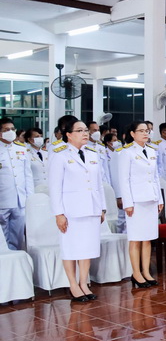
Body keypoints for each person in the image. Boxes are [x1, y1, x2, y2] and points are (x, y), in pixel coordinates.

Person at [49, 119, 106, 302]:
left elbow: (99, 184)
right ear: (69, 134)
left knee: (87, 249)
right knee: (71, 249)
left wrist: (102, 208)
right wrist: (59, 214)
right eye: (80, 130)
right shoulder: (60, 155)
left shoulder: (92, 154)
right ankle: (73, 285)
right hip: (71, 211)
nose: (85, 134)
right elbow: (55, 188)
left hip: (91, 208)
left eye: (85, 130)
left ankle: (84, 283)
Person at [118, 121, 163, 287]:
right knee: (136, 238)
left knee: (148, 238)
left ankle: (146, 271)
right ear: (132, 134)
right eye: (141, 131)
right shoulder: (127, 153)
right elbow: (124, 180)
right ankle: (136, 273)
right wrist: (127, 203)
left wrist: (160, 199)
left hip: (150, 199)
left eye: (147, 131)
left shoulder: (151, 151)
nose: (146, 134)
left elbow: (156, 177)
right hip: (136, 201)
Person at [0, 117, 33, 250]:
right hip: (3, 199)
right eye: (6, 130)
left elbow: (27, 175)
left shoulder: (21, 149)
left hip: (20, 199)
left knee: (19, 235)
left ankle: (17, 260)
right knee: (3, 235)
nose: (11, 132)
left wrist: (30, 198)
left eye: (13, 129)